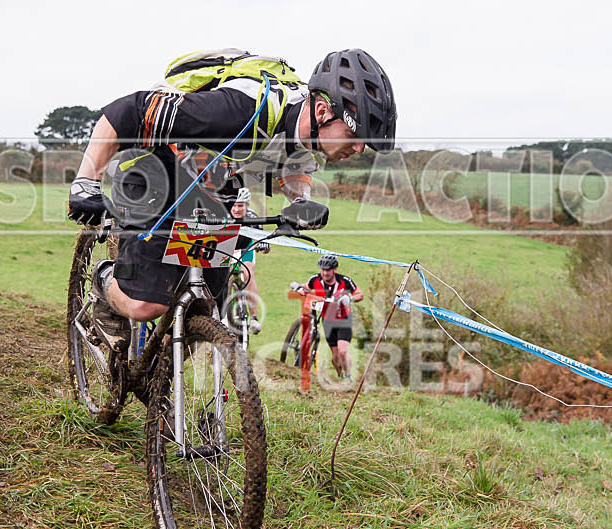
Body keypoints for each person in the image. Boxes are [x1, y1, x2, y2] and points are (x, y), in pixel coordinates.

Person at [67, 48, 396, 349]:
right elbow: (127, 111)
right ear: (322, 111)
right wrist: (86, 181)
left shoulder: (309, 130)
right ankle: (104, 283)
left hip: (213, 181)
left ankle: (162, 388)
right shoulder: (235, 111)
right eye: (355, 136)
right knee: (147, 305)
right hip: (153, 168)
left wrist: (300, 201)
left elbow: (296, 165)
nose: (358, 150)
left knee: (204, 301)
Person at [297, 255, 363, 379]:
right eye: (323, 270)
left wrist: (350, 298)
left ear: (335, 269)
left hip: (343, 320)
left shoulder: (345, 281)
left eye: (328, 270)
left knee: (343, 351)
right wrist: (300, 288)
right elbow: (306, 287)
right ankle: (340, 376)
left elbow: (360, 294)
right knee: (335, 356)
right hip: (327, 320)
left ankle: (348, 377)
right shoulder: (315, 279)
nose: (325, 273)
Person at [225, 187, 268, 334]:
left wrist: (264, 245)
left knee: (248, 273)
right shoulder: (223, 215)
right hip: (226, 247)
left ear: (247, 206)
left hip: (245, 248)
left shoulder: (252, 217)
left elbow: (263, 239)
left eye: (241, 205)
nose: (237, 209)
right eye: (234, 205)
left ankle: (254, 317)